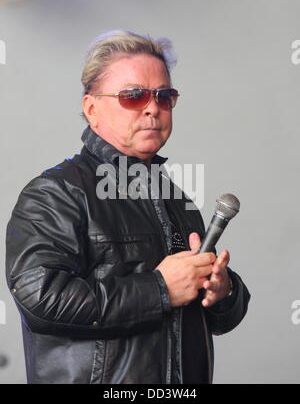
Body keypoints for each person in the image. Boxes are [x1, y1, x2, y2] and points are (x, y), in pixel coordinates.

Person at [6, 30, 250, 384]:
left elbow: (218, 321)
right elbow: (39, 298)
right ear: (91, 109)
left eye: (164, 96)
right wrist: (160, 289)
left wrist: (223, 290)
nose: (153, 107)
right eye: (133, 96)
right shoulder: (55, 193)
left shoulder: (176, 199)